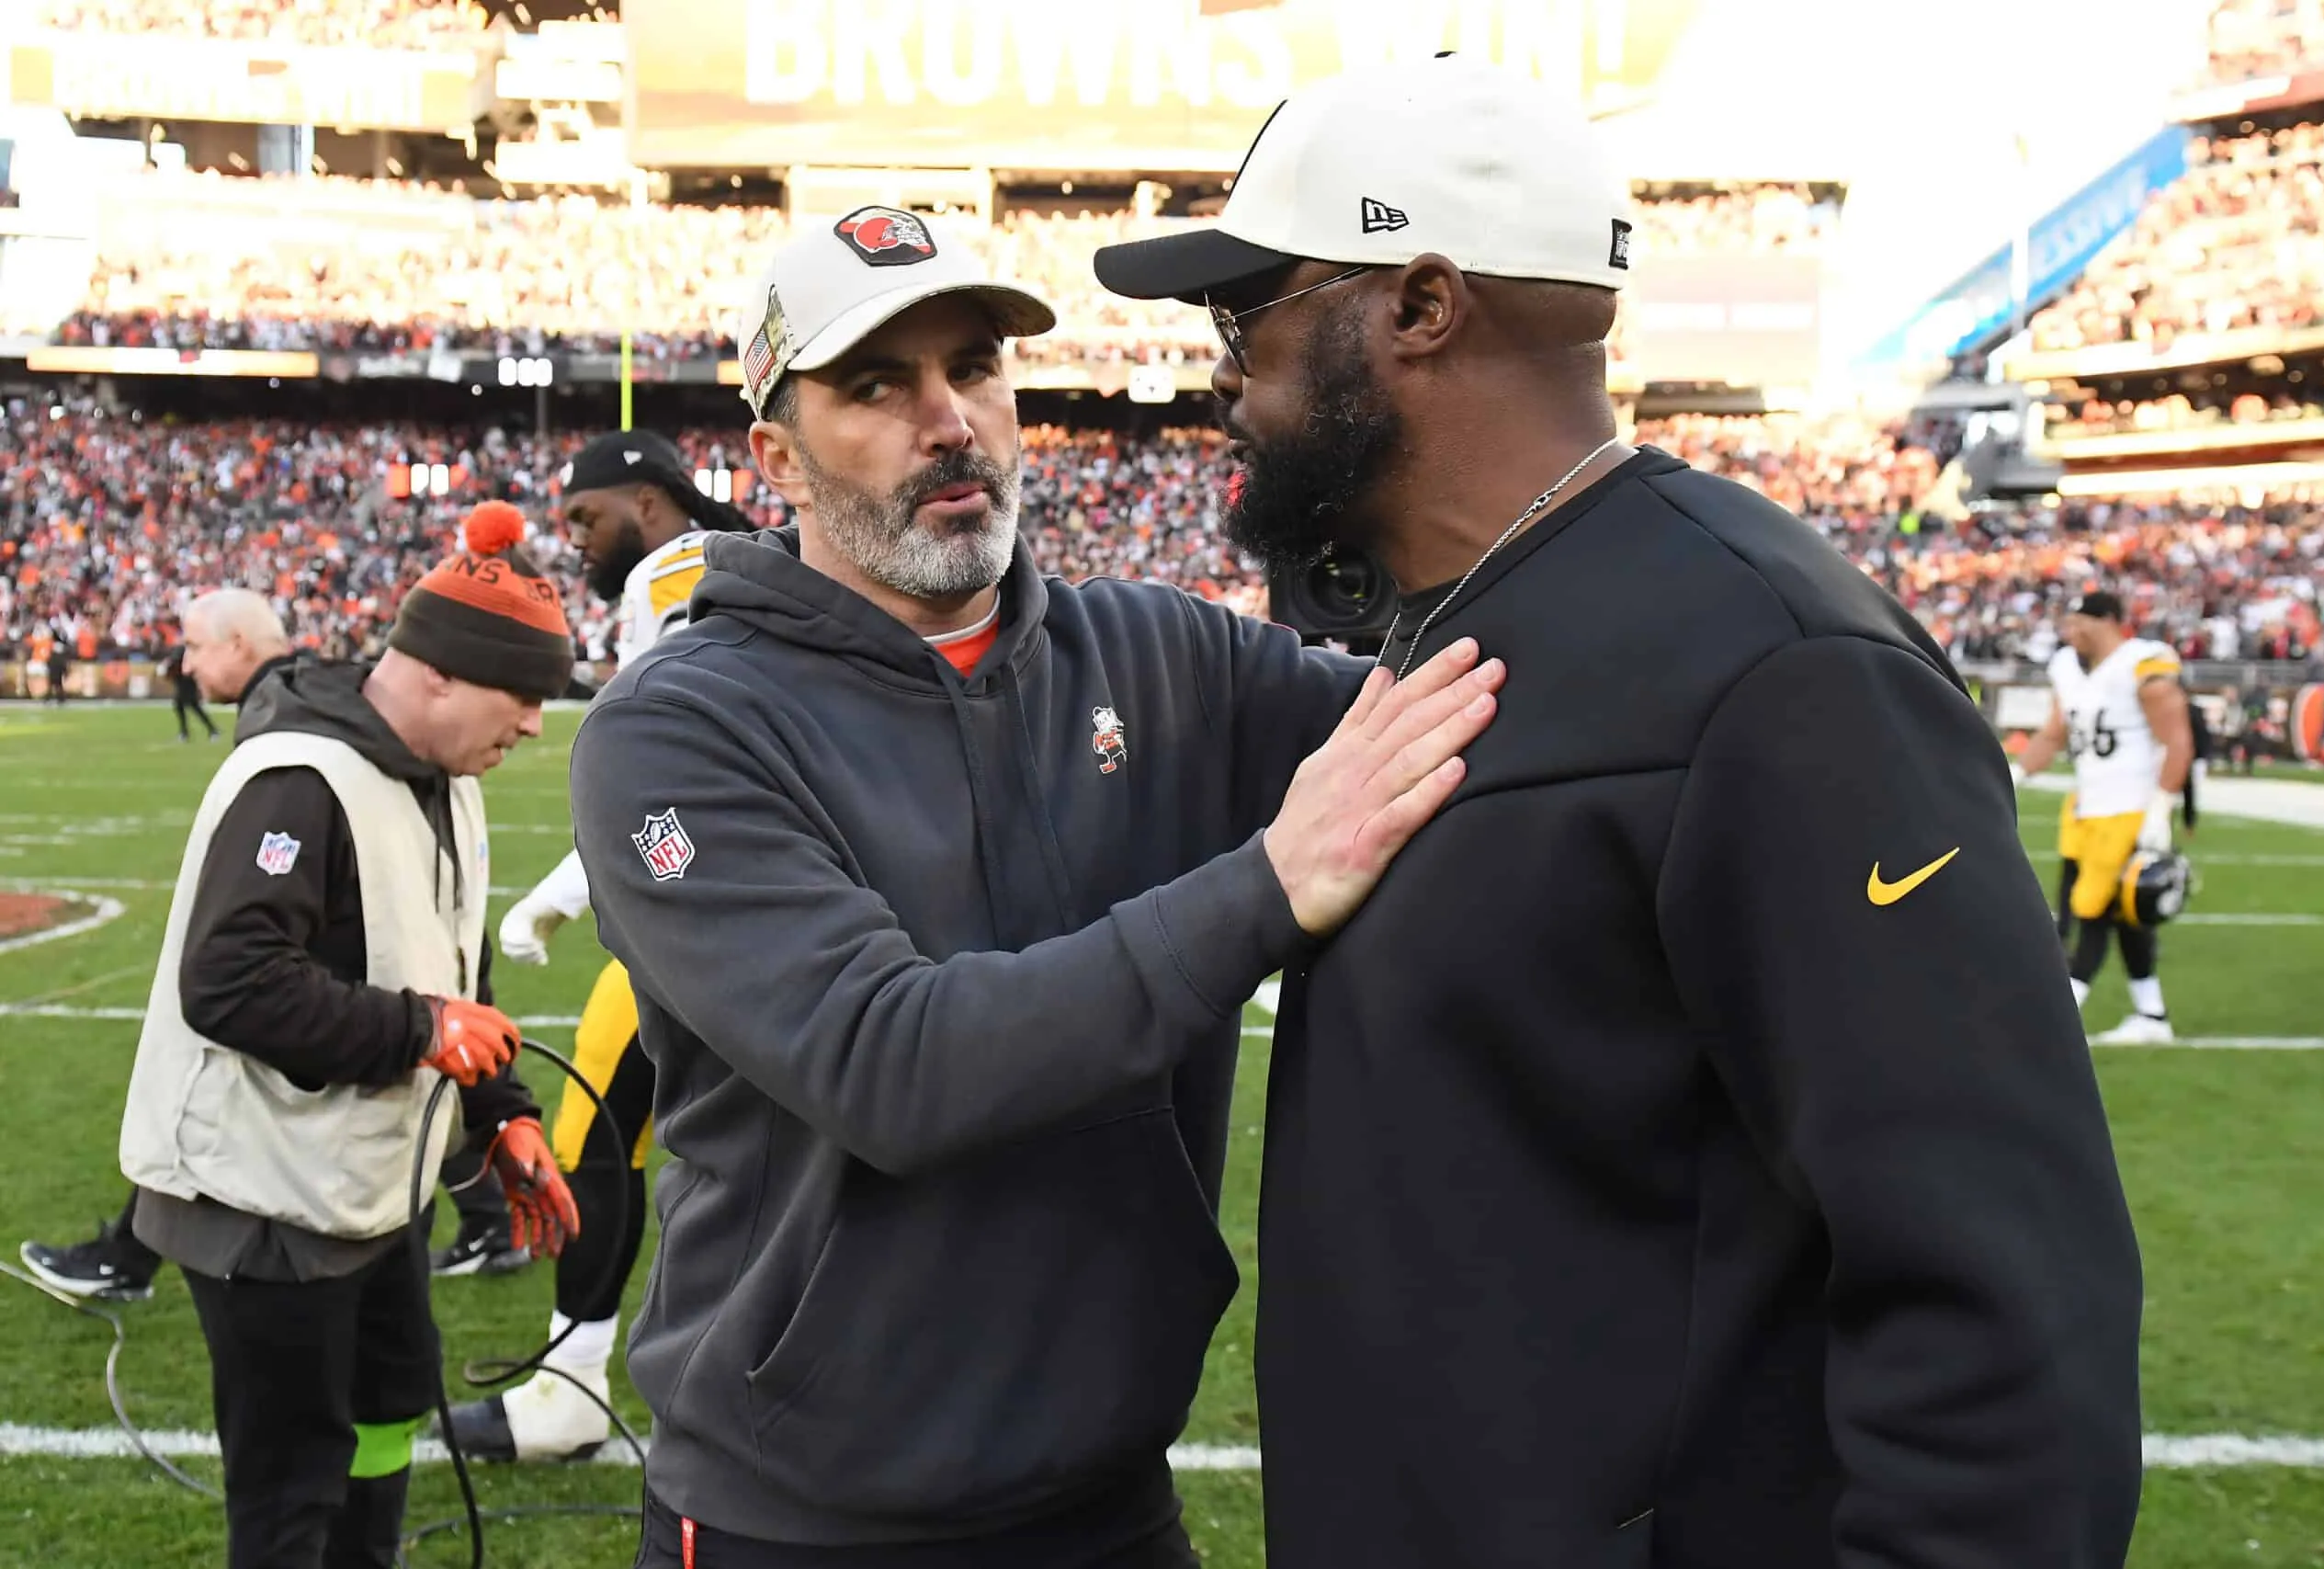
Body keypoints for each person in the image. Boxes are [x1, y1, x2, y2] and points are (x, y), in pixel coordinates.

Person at [1095, 55, 2144, 1569]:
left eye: (1249, 312)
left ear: (1420, 303)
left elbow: (2001, 1299)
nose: (1225, 376)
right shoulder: (1469, 618)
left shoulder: (1777, 666)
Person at [567, 208, 1502, 1567]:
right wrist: (1269, 883)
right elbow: (892, 1062)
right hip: (805, 1520)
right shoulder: (680, 729)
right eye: (877, 384)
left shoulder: (1163, 651)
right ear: (777, 453)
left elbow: (1468, 724)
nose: (946, 419)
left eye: (974, 366)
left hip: (1107, 1497)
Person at [115, 505, 584, 1569]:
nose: (532, 726)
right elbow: (228, 982)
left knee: (385, 1415)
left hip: (370, 1187)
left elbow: (454, 969)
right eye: (522, 697)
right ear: (438, 677)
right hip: (263, 1197)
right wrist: (422, 1031)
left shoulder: (444, 777)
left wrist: (500, 1117)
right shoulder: (300, 780)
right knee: (292, 1485)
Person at [444, 429, 757, 1464]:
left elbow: (676, 772)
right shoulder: (765, 554)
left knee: (591, 1136)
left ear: (653, 502)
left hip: (712, 921)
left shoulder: (678, 571)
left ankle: (569, 1394)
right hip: (776, 906)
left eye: (586, 517)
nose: (572, 542)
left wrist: (560, 894)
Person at [21, 586, 298, 1301]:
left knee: (203, 1095)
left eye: (197, 645)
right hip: (302, 950)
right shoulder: (289, 701)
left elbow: (290, 838)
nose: (184, 660)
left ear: (239, 644)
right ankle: (128, 1255)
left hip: (289, 954)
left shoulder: (288, 713)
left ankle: (127, 1259)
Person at [2016, 590, 2193, 1042]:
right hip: (2086, 805)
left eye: (2081, 623)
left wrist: (2160, 810)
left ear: (2109, 620)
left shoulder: (2144, 664)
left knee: (2090, 909)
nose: (2071, 632)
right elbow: (2054, 733)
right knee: (2120, 916)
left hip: (2129, 807)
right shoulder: (2067, 668)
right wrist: (2013, 773)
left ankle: (2059, 1015)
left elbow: (2178, 741)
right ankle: (2152, 1016)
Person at [164, 641, 220, 742]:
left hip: (187, 682)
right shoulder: (184, 650)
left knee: (190, 706)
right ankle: (188, 732)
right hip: (182, 681)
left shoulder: (185, 651)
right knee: (185, 706)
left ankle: (209, 730)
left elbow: (178, 664)